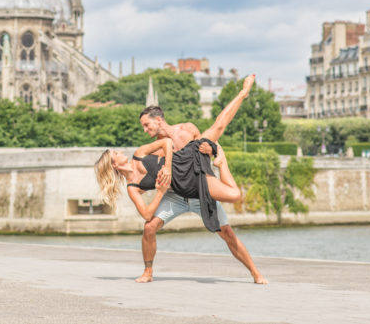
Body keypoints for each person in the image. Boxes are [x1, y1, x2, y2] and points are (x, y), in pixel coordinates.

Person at [94, 75, 268, 284]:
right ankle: (148, 271)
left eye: (146, 125)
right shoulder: (143, 162)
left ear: (158, 120)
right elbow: (147, 207)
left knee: (228, 230)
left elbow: (201, 155)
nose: (144, 130)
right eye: (144, 127)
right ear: (114, 164)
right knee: (149, 227)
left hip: (197, 181)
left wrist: (213, 150)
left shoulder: (185, 130)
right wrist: (159, 189)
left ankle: (256, 273)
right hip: (174, 194)